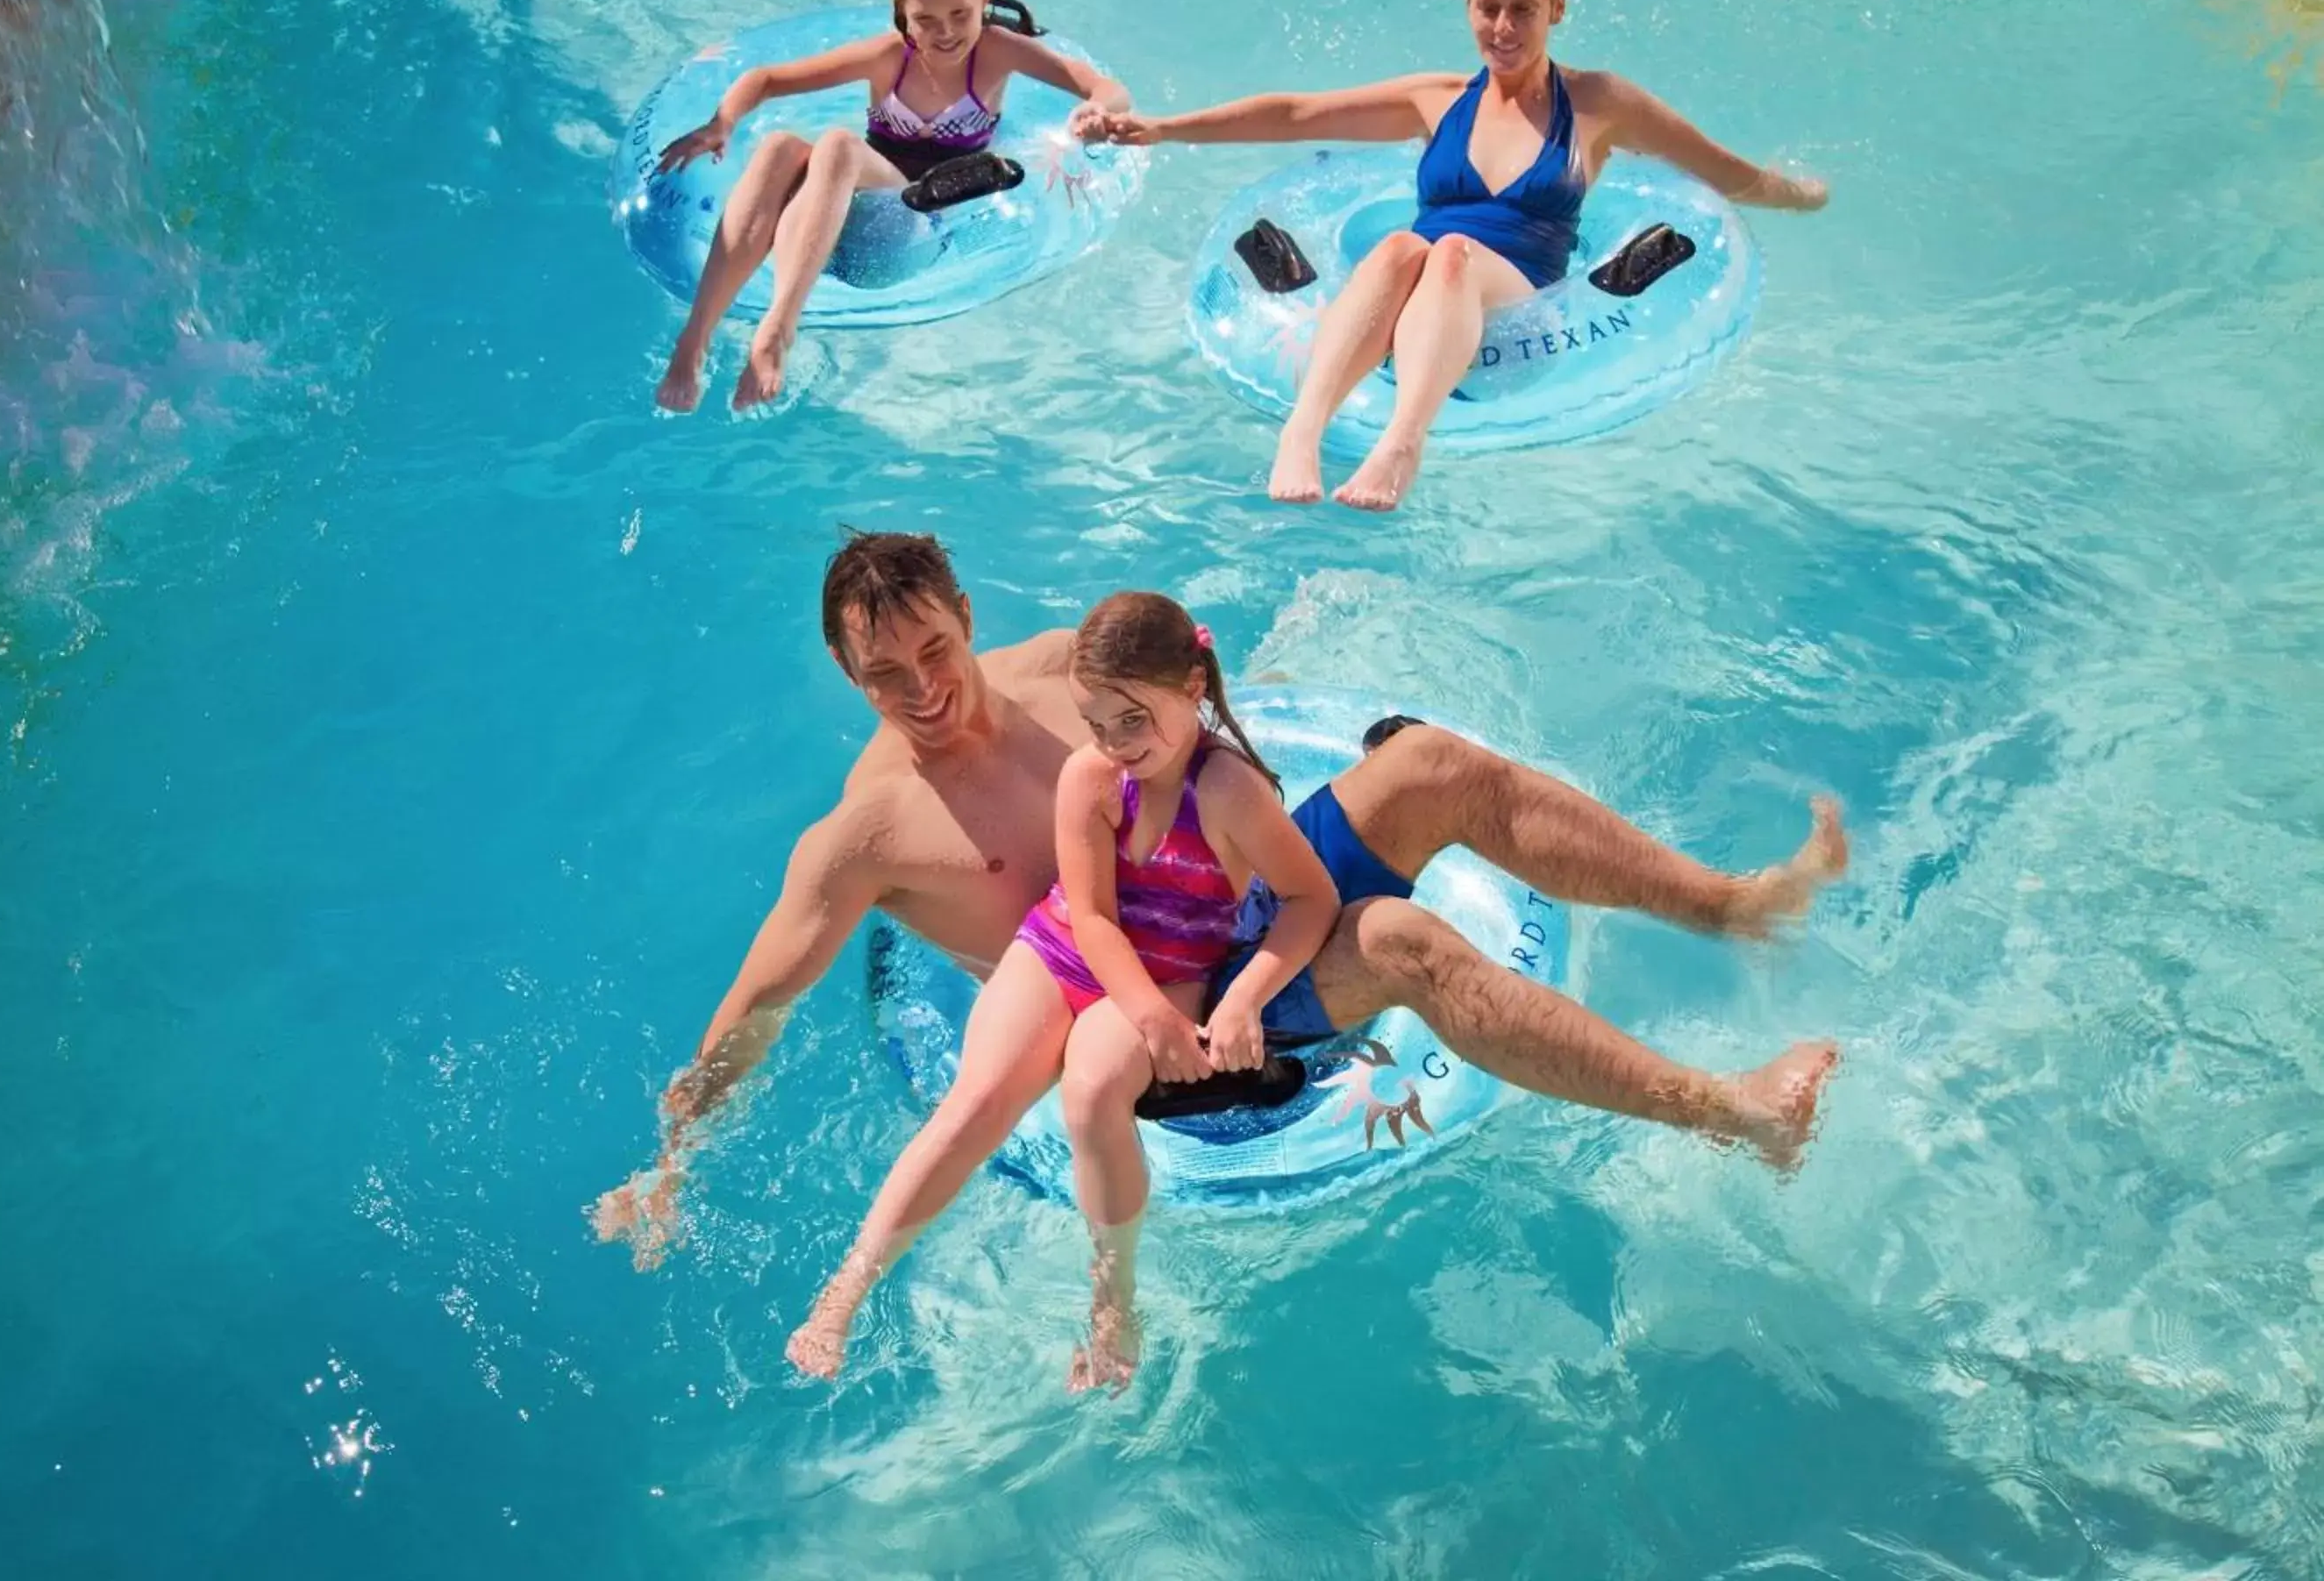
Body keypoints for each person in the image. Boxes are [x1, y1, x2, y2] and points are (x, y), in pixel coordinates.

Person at [589, 532, 1845, 1326]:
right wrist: (672, 1160)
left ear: (964, 614)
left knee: (1432, 767)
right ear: (848, 681)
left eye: (933, 651)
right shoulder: (866, 836)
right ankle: (1730, 1112)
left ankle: (1725, 906)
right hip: (1164, 1040)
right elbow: (755, 1008)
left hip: (1237, 913)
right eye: (885, 679)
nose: (925, 692)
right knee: (1404, 941)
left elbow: (1186, 727)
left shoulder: (1047, 674)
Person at [787, 591, 1340, 1390]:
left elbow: (1311, 898)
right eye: (1097, 724)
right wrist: (1144, 1014)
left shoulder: (1230, 793)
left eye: (1133, 720)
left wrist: (1246, 995)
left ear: (1191, 689)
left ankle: (1113, 1302)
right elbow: (1089, 914)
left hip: (1175, 967)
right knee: (973, 1103)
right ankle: (845, 1292)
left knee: (1089, 1092)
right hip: (1067, 949)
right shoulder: (1092, 776)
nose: (1115, 744)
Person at [1082, 0, 1827, 512]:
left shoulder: (1600, 104)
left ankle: (1403, 442)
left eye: (1523, 10)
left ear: (1556, 10)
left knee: (1448, 253)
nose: (1503, 27)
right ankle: (1301, 432)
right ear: (1469, 6)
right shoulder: (1437, 98)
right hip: (1420, 275)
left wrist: (1796, 193)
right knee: (1404, 248)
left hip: (1514, 284)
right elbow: (1298, 112)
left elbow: (1718, 168)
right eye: (1488, 8)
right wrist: (1165, 127)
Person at [650, 0, 1131, 413]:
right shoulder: (887, 58)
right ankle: (694, 341)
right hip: (826, 227)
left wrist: (1091, 116)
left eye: (960, 14)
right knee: (777, 148)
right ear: (902, 12)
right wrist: (722, 123)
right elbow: (766, 79)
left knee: (836, 144)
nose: (944, 33)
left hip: (911, 233)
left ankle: (778, 329)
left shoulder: (999, 51)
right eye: (925, 19)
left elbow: (1108, 89)